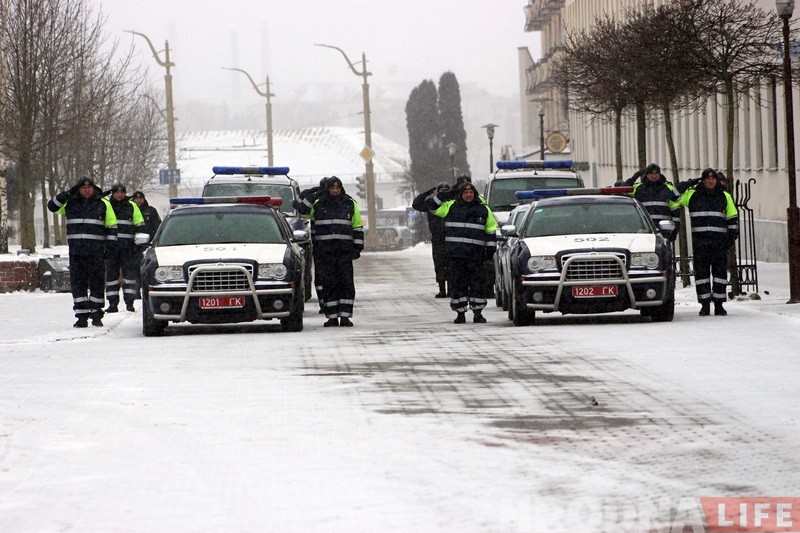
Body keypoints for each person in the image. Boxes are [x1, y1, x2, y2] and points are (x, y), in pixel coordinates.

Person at [47, 176, 117, 328]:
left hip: (96, 252)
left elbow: (111, 226)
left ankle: (97, 315)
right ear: (78, 189)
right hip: (76, 253)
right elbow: (52, 206)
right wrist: (65, 194)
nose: (87, 190)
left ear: (94, 188)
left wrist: (110, 249)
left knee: (97, 284)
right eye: (83, 188)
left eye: (89, 187)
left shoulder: (103, 203)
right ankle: (81, 317)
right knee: (78, 285)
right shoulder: (70, 202)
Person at [295, 176, 364, 327]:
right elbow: (301, 210)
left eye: (337, 188)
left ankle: (345, 316)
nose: (334, 191)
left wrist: (357, 248)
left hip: (344, 252)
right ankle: (332, 316)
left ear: (341, 189)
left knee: (346, 284)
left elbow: (357, 226)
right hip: (325, 252)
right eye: (331, 188)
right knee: (329, 284)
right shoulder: (318, 203)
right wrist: (315, 194)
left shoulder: (350, 203)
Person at [427, 181, 498, 324]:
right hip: (456, 256)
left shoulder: (484, 210)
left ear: (475, 194)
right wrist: (446, 194)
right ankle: (460, 314)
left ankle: (478, 313)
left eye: (471, 192)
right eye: (465, 192)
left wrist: (490, 250)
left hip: (476, 256)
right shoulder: (450, 206)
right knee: (458, 285)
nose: (469, 195)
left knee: (477, 285)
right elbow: (432, 207)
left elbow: (490, 230)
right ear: (461, 194)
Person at [676, 168, 739, 316]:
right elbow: (673, 197)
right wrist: (688, 183)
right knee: (702, 275)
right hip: (700, 243)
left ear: (716, 180)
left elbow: (732, 218)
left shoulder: (724, 196)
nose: (710, 181)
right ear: (703, 180)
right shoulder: (692, 195)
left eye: (713, 179)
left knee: (720, 274)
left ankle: (719, 305)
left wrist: (731, 237)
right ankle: (704, 305)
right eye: (707, 179)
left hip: (719, 243)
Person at [104, 183, 144, 313]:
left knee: (129, 277)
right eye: (117, 192)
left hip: (128, 248)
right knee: (111, 278)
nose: (120, 195)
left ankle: (130, 303)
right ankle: (112, 304)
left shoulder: (132, 206)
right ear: (113, 193)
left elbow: (139, 226)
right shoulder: (107, 205)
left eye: (122, 192)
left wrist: (138, 245)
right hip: (111, 248)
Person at [295, 177, 332, 313]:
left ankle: (332, 303)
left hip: (335, 247)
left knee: (333, 277)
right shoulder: (315, 200)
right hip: (320, 245)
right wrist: (313, 192)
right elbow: (298, 207)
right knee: (322, 276)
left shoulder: (341, 201)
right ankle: (324, 303)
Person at [622, 163, 681, 241]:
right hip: (643, 229)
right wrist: (633, 178)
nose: (654, 176)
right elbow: (622, 190)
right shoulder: (638, 188)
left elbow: (675, 211)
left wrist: (674, 232)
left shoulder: (669, 189)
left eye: (656, 173)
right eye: (651, 174)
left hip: (663, 231)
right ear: (646, 175)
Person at [412, 181, 450, 298]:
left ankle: (452, 289)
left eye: (446, 189)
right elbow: (416, 204)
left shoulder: (453, 203)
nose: (443, 191)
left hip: (452, 238)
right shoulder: (431, 203)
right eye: (441, 189)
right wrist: (426, 194)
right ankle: (442, 289)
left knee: (452, 265)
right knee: (439, 264)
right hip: (438, 239)